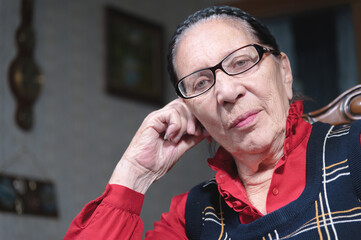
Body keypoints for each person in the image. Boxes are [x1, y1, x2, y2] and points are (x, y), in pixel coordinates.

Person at [64, 5, 361, 240]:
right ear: (191, 111)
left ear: (284, 70)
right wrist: (135, 173)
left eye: (242, 63)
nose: (227, 92)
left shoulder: (354, 150)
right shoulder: (191, 217)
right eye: (201, 83)